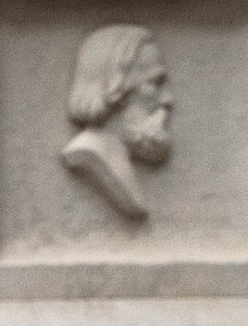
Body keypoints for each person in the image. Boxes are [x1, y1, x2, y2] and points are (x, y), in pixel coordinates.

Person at [60, 25, 174, 224]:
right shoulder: (89, 154)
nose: (167, 99)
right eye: (155, 83)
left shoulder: (120, 157)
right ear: (115, 90)